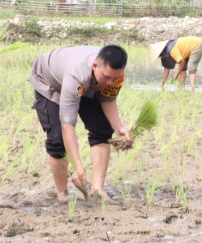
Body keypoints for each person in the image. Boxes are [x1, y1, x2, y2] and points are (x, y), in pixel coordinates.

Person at [28, 45, 132, 203]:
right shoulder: (77, 73)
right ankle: (63, 194)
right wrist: (77, 166)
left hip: (87, 84)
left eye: (114, 78)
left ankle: (97, 189)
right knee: (57, 139)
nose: (110, 82)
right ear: (95, 65)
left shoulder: (116, 75)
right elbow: (67, 124)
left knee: (102, 129)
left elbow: (108, 99)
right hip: (50, 81)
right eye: (106, 77)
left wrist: (119, 127)